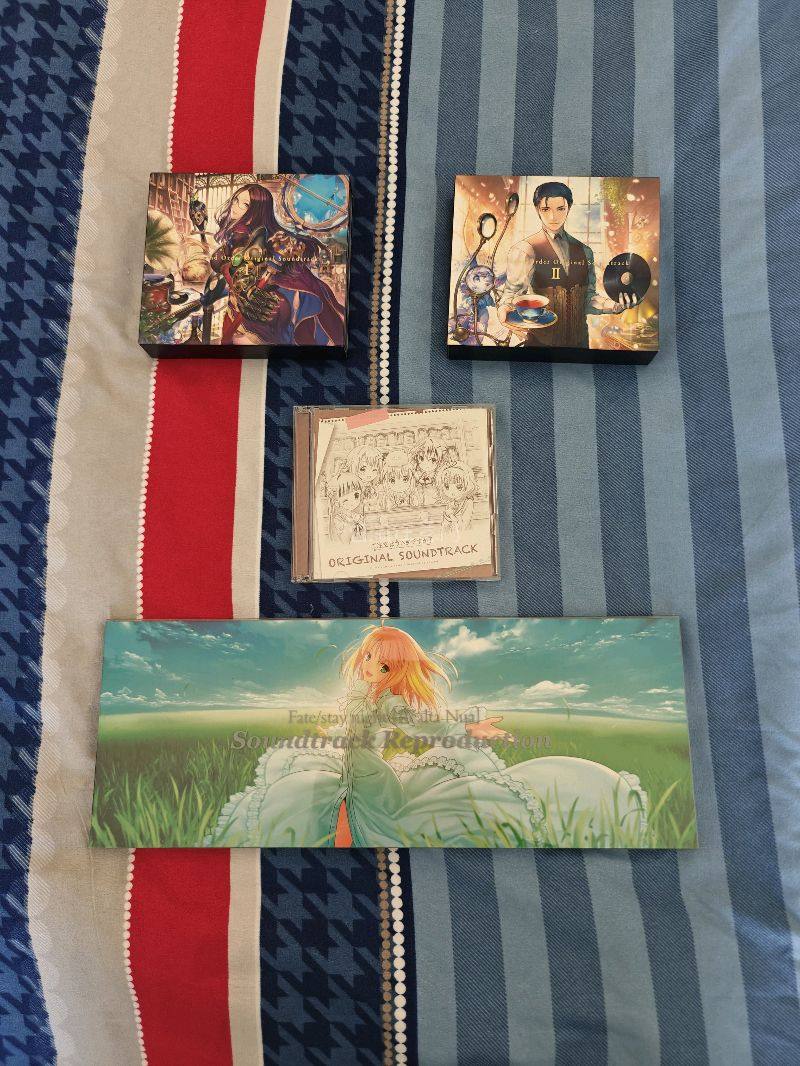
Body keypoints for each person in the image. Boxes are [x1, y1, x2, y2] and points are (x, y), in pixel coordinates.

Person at [206, 624, 649, 847]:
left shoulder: (390, 703)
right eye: (369, 658)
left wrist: (468, 727)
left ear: (396, 670)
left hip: (369, 777)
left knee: (360, 822)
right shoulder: (362, 693)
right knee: (324, 809)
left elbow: (425, 726)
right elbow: (353, 726)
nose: (371, 668)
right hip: (350, 768)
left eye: (383, 665)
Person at [498, 180, 638, 349]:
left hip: (580, 345)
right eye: (546, 209)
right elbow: (512, 293)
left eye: (560, 209)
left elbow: (588, 298)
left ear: (569, 208)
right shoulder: (525, 249)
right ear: (537, 209)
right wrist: (504, 308)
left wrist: (615, 306)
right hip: (540, 345)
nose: (553, 217)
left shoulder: (585, 251)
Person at [210, 183, 345, 346]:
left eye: (244, 204)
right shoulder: (237, 234)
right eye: (235, 200)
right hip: (236, 311)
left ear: (257, 211)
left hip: (258, 321)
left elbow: (283, 294)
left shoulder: (261, 241)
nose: (234, 207)